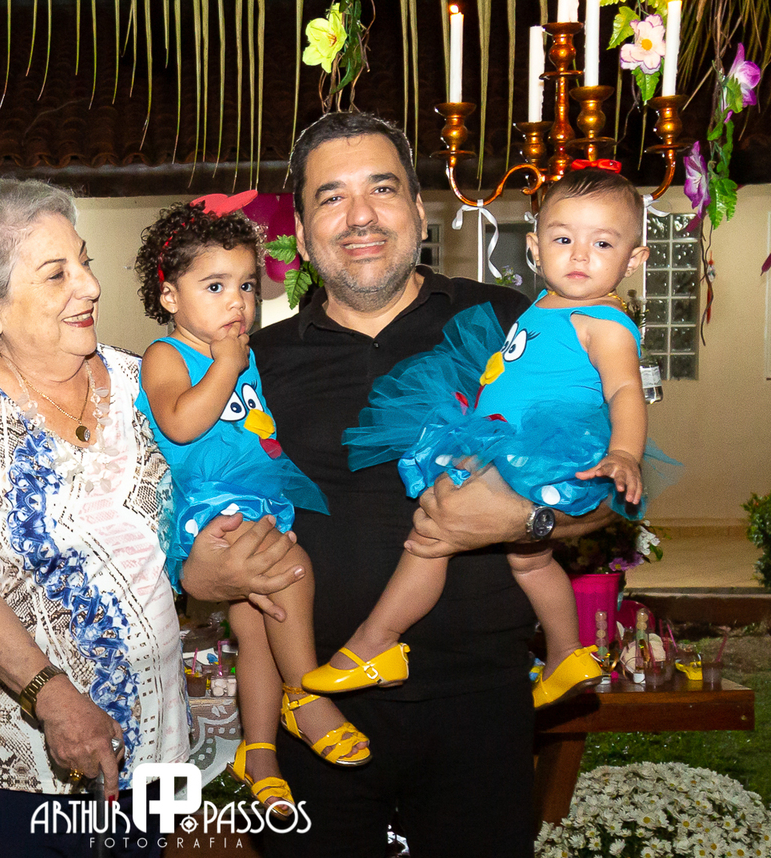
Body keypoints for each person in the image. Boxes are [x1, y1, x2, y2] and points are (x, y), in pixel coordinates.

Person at [178, 112, 613, 858]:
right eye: (331, 198)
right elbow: (191, 502)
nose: (360, 216)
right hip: (314, 711)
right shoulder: (250, 363)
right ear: (302, 234)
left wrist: (525, 521)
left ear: (417, 208)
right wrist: (199, 576)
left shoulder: (517, 325)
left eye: (381, 189)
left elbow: (608, 492)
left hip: (479, 708)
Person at [0, 178, 298, 858]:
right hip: (17, 758)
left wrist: (218, 568)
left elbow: (192, 534)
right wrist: (53, 699)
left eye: (84, 261)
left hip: (157, 738)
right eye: (57, 273)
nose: (90, 286)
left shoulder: (150, 385)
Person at [308, 166, 658, 709]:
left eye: (603, 243)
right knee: (529, 560)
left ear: (634, 260)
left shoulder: (605, 324)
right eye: (563, 240)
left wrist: (624, 453)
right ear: (535, 249)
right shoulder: (544, 306)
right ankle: (567, 652)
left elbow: (625, 392)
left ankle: (374, 644)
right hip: (503, 438)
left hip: (542, 447)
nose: (580, 255)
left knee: (429, 538)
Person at [133, 195, 379, 820]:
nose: (237, 302)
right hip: (213, 506)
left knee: (256, 634)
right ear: (169, 297)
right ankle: (307, 694)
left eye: (246, 285)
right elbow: (180, 424)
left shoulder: (241, 355)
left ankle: (259, 753)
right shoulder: (168, 355)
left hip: (260, 497)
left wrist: (236, 365)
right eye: (214, 286)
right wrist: (225, 367)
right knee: (291, 572)